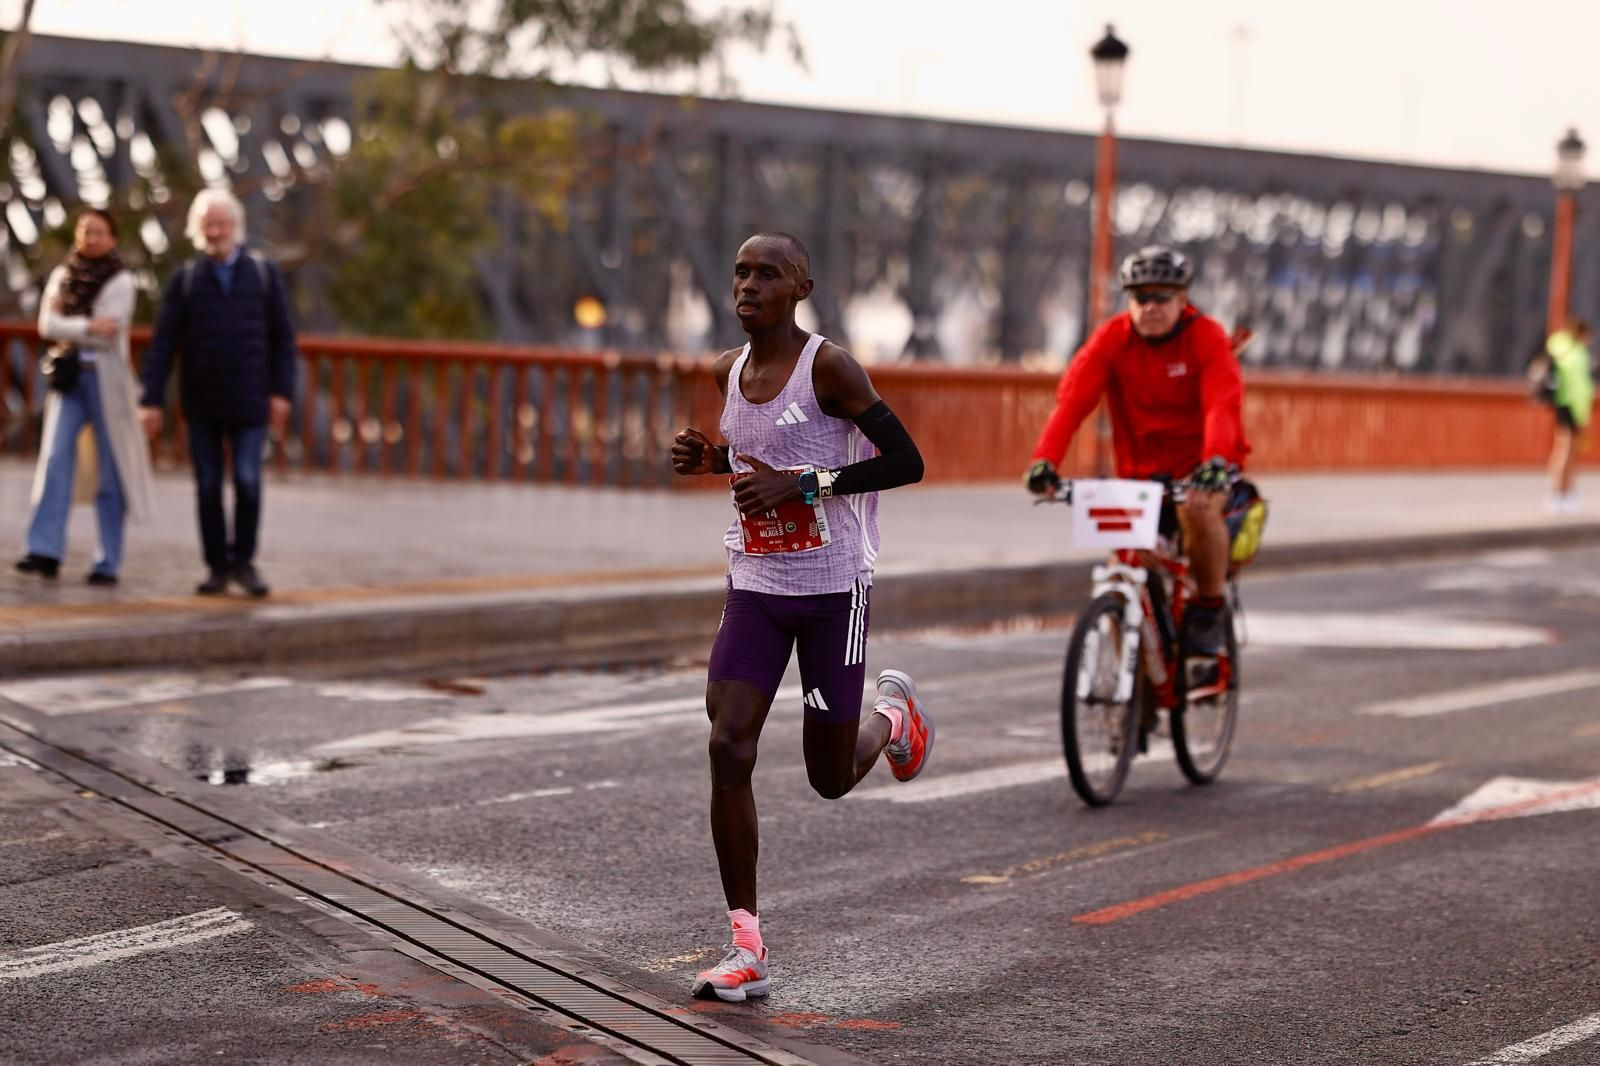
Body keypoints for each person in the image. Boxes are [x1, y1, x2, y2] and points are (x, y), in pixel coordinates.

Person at [669, 232, 931, 1003]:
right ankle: (745, 947)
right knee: (727, 742)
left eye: (768, 274)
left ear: (800, 287)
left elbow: (907, 462)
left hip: (831, 588)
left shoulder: (832, 368)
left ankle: (892, 717)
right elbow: (750, 459)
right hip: (755, 581)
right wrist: (707, 461)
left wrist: (806, 485)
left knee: (827, 777)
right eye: (741, 270)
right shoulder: (728, 371)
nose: (749, 284)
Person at [1023, 245, 1250, 680]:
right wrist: (1044, 462)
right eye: (1140, 297)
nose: (1151, 307)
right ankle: (1139, 696)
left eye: (1162, 297)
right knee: (1120, 574)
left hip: (1203, 469)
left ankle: (1207, 608)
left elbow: (1222, 404)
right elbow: (1072, 403)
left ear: (1183, 298)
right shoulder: (1112, 338)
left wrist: (1216, 459)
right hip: (1139, 476)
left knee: (1198, 509)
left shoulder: (1206, 337)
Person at [139, 189, 297, 597]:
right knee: (208, 487)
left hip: (251, 400)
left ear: (236, 228)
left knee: (247, 481)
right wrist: (151, 398)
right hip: (202, 402)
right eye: (208, 224)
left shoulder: (263, 275)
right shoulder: (186, 280)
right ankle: (217, 566)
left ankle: (244, 562)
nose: (216, 231)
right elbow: (163, 344)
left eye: (222, 223)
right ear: (199, 229)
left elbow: (284, 339)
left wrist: (282, 392)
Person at [16, 208, 154, 585]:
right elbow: (47, 325)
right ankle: (44, 550)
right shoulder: (63, 275)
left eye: (99, 232)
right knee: (56, 458)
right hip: (70, 378)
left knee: (112, 471)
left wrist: (73, 325)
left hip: (108, 381)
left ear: (111, 237)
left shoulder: (122, 280)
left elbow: (107, 333)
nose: (91, 238)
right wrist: (87, 324)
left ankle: (107, 560)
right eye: (85, 231)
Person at [1540, 319, 1593, 513]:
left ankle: (1565, 492)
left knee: (1568, 451)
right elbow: (1579, 386)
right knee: (1566, 451)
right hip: (1570, 406)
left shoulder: (1562, 351)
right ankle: (1558, 493)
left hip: (1569, 406)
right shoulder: (1575, 354)